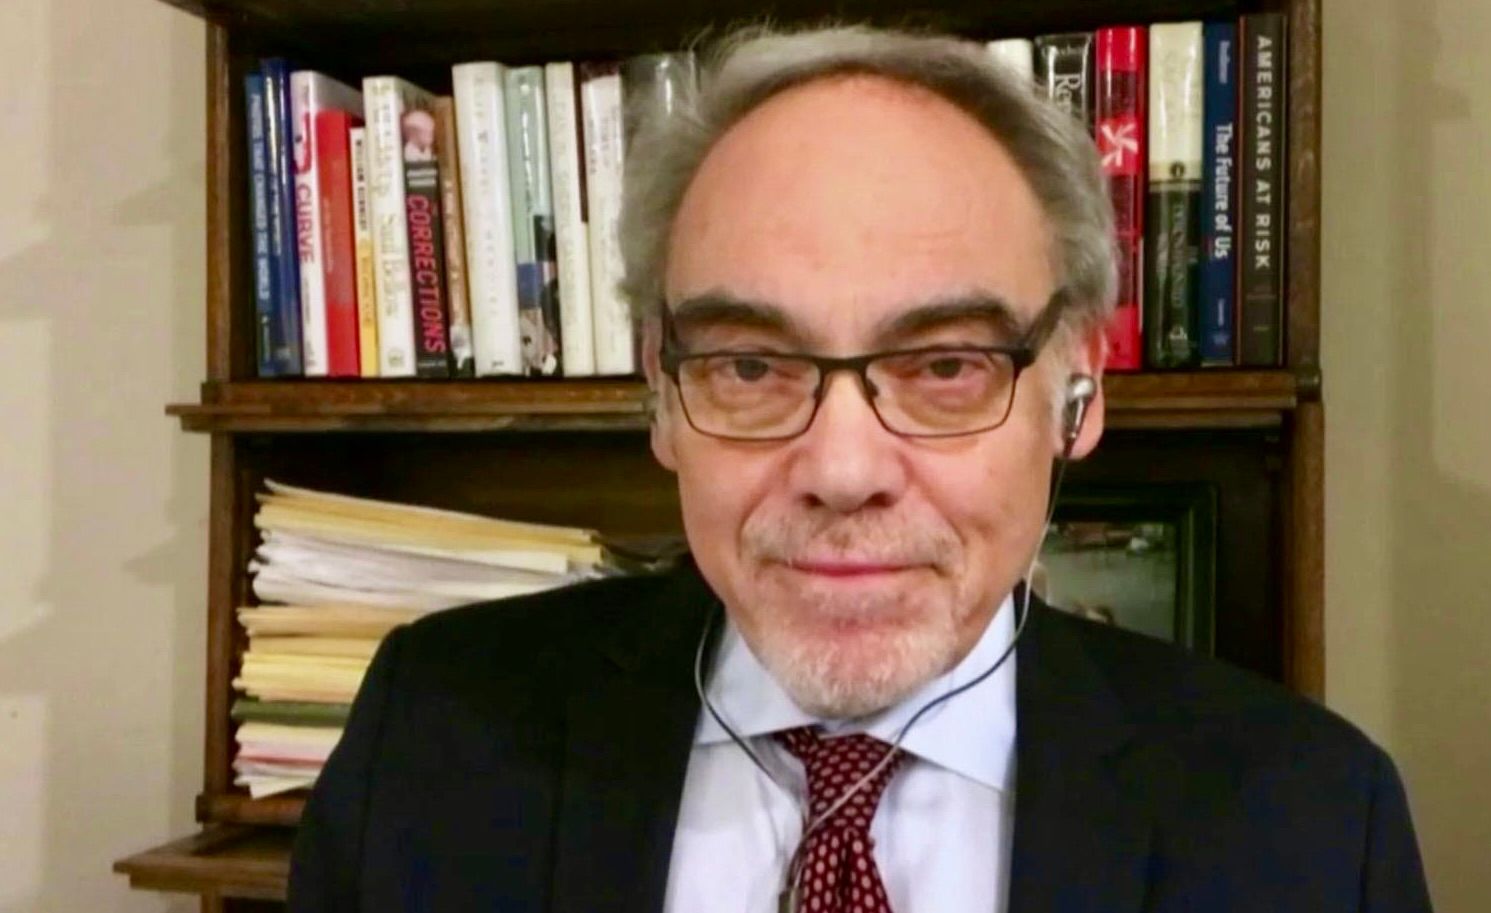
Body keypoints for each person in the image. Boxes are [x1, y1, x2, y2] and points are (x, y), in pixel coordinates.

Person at [288, 25, 1432, 913]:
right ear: (661, 393)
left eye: (945, 364)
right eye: (749, 364)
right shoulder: (433, 734)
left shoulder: (1313, 822)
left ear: (1076, 391)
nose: (842, 468)